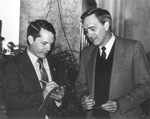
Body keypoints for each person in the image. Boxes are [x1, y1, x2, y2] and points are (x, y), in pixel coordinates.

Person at [75, 7, 150, 119]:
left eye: (92, 29)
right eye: (86, 31)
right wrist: (83, 99)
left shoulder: (133, 48)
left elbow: (146, 87)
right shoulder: (86, 53)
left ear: (106, 25)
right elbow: (80, 86)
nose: (89, 35)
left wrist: (120, 103)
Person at [2, 19, 69, 119]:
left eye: (51, 43)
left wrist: (60, 99)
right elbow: (10, 100)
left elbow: (65, 100)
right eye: (44, 43)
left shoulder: (57, 65)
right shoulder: (12, 66)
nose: (49, 48)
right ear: (31, 39)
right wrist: (42, 95)